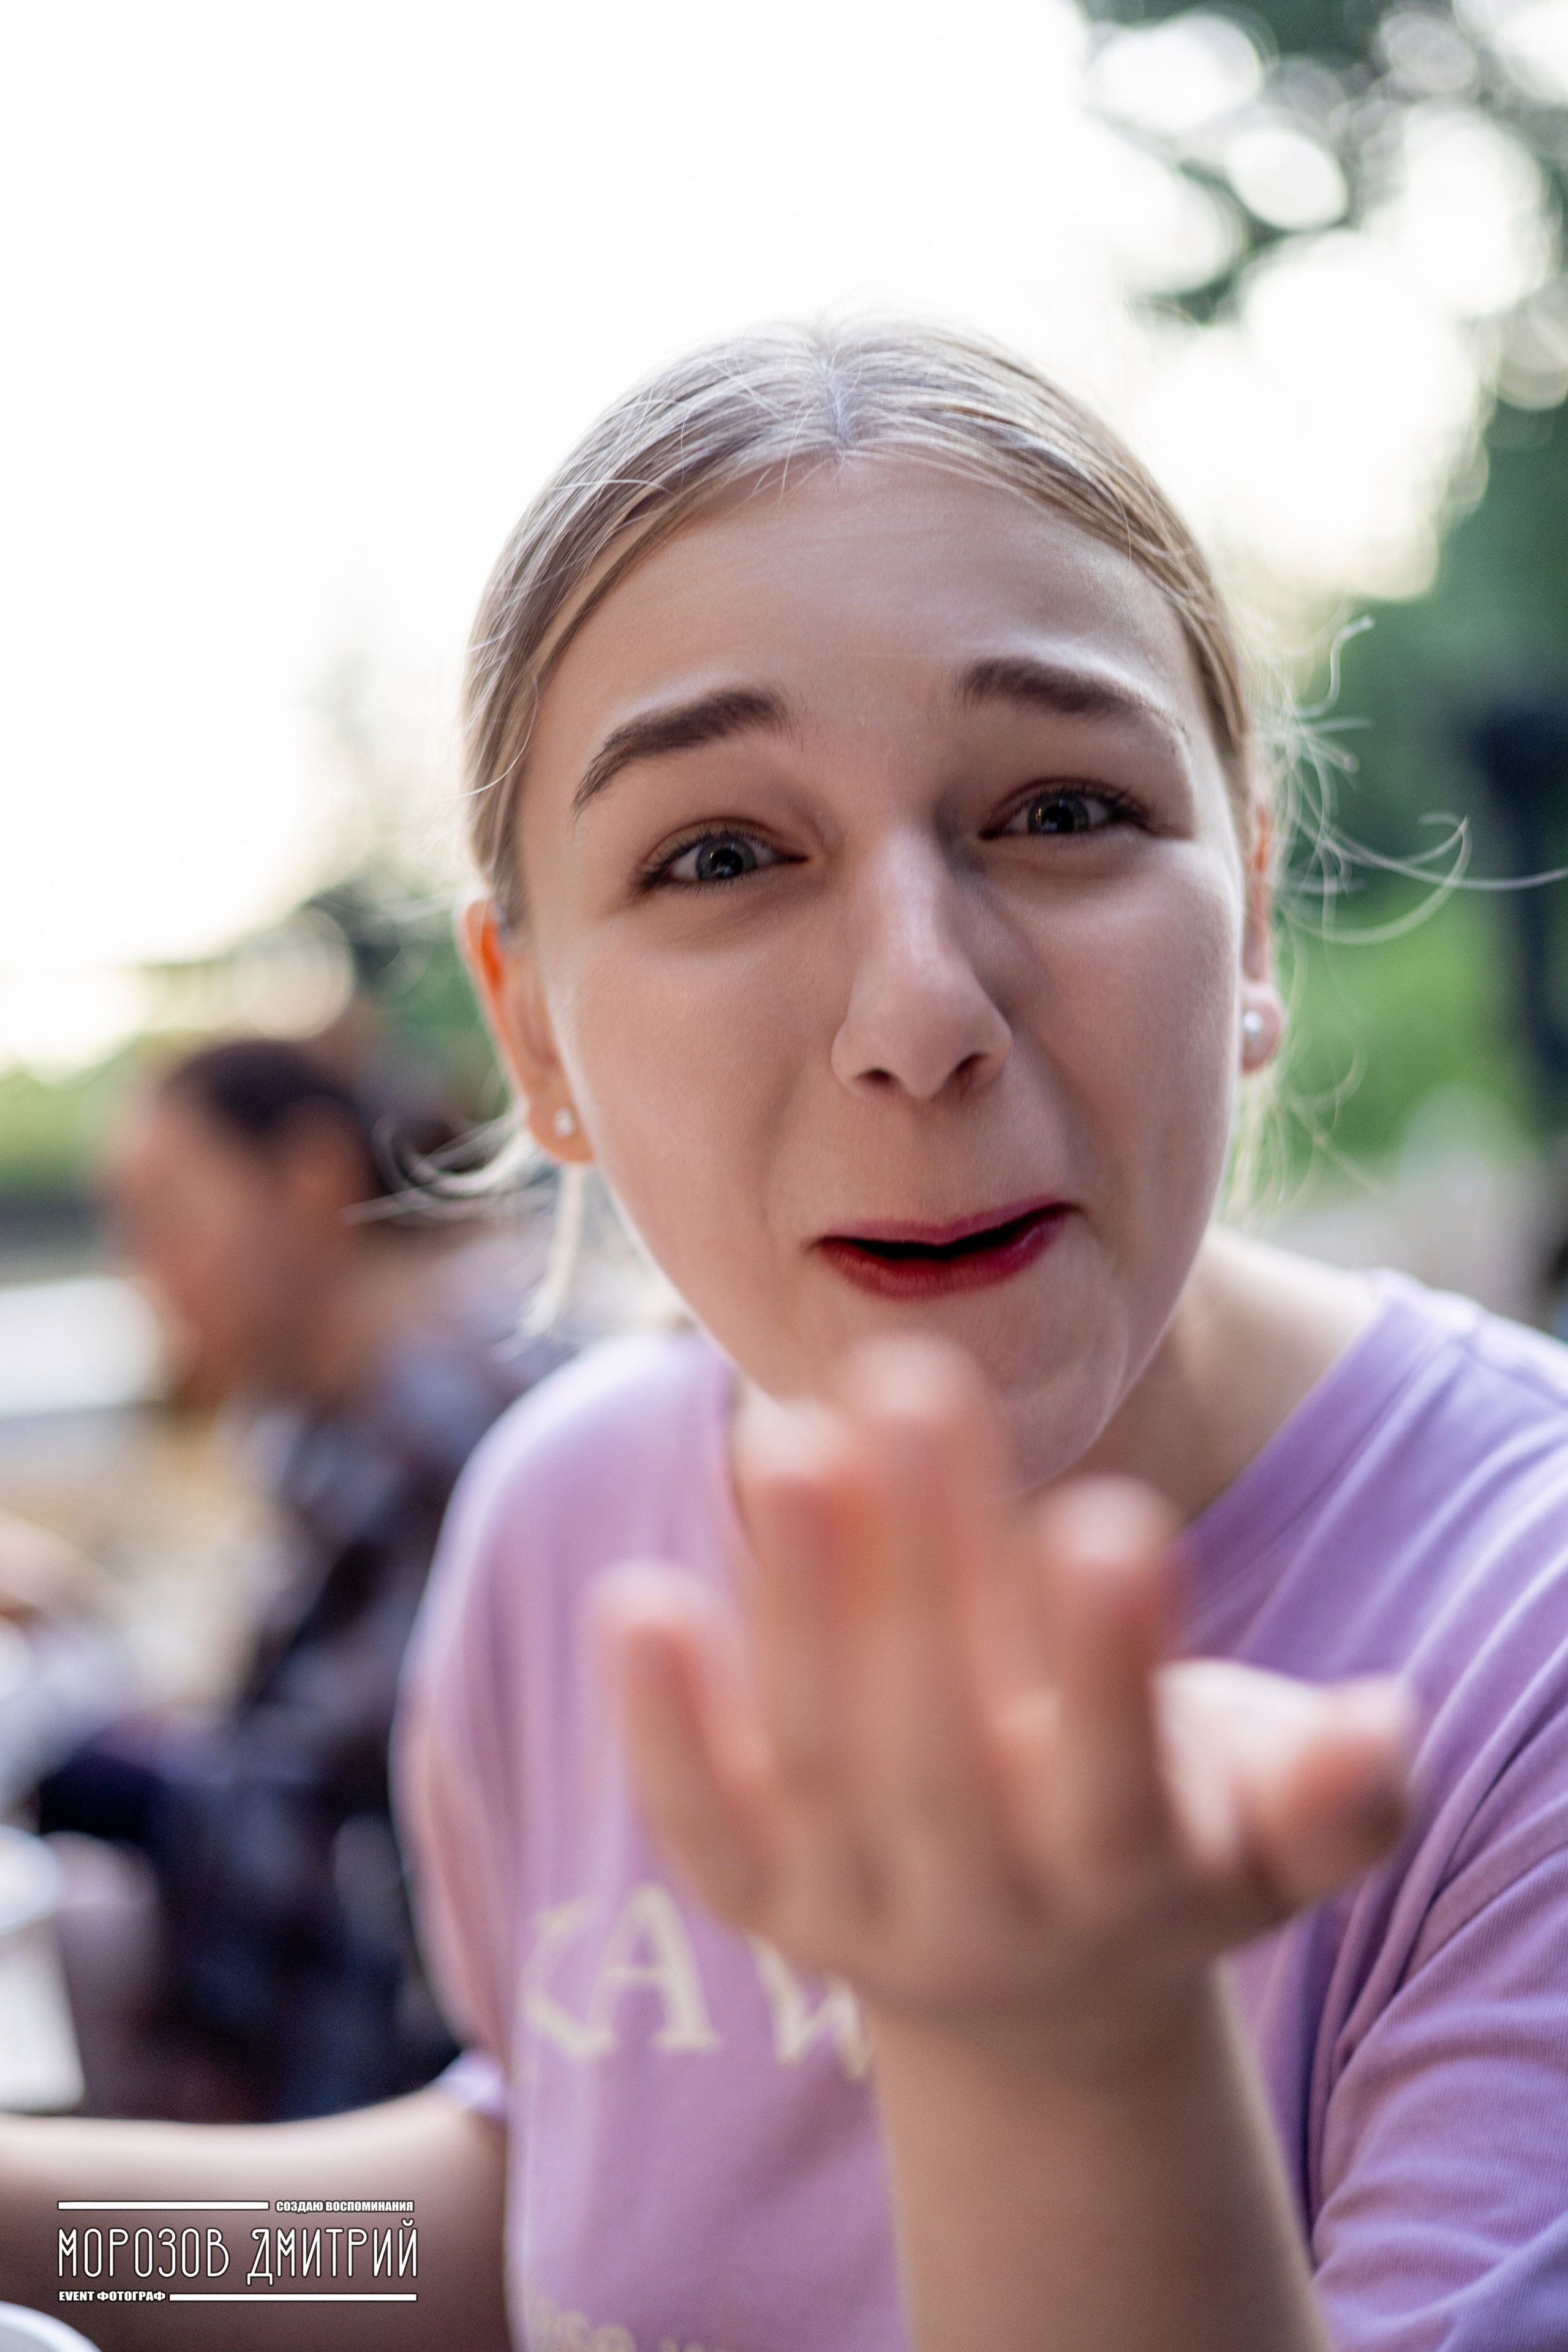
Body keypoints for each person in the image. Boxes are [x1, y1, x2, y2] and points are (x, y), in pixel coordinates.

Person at [4, 321, 1567, 2352]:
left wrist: (1064, 2047)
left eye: (1065, 809)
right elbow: (531, 2208)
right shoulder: (570, 1517)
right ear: (535, 1036)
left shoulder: (1521, 1624)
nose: (920, 1010)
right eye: (722, 855)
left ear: (1253, 921)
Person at [34, 1037, 559, 2123]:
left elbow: (337, 1858)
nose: (150, 1270)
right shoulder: (363, 1404)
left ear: (312, 1178)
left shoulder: (443, 1414)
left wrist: (66, 1751)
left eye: (170, 1213)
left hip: (401, 2127)